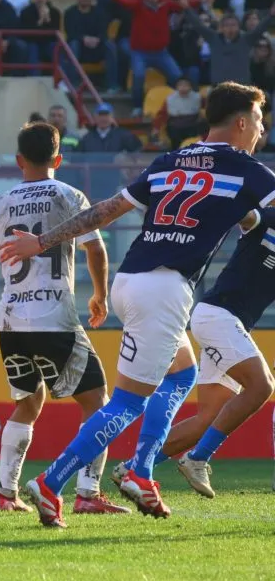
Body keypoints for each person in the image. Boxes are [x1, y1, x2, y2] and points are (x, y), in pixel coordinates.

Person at [1, 81, 273, 525]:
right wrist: (253, 215)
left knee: (182, 373)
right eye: (259, 122)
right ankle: (51, 482)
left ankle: (142, 472)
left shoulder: (169, 160)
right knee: (127, 403)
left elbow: (107, 210)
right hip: (164, 291)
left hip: (131, 280)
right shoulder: (251, 172)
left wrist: (43, 241)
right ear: (242, 122)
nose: (261, 132)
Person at [0, 121, 127, 516]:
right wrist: (99, 295)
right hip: (53, 318)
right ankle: (88, 493)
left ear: (18, 159)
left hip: (10, 320)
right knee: (97, 403)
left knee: (29, 401)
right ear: (58, 158)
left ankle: (5, 494)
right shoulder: (69, 195)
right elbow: (95, 249)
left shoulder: (0, 204)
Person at [112, 199, 275, 499]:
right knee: (261, 385)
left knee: (208, 418)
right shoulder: (266, 218)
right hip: (218, 317)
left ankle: (133, 467)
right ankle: (198, 459)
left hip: (225, 321)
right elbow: (242, 214)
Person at [98, 0, 189, 116]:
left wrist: (199, 2)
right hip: (140, 52)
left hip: (161, 52)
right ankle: (137, 106)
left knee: (177, 76)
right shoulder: (139, 3)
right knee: (138, 75)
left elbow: (184, 5)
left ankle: (176, 105)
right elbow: (125, 1)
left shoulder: (166, 3)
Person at [181, 0, 275, 85]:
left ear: (239, 27)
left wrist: (271, 15)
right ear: (221, 28)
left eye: (233, 25)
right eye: (226, 25)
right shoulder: (213, 38)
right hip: (219, 87)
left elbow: (260, 28)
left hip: (241, 88)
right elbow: (199, 26)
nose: (230, 28)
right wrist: (187, 9)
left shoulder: (246, 39)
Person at [64, 0, 120, 94]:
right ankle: (73, 84)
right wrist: (83, 38)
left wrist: (97, 39)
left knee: (110, 45)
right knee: (73, 44)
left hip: (96, 48)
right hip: (79, 48)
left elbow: (103, 32)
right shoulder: (69, 12)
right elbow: (70, 33)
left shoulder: (100, 12)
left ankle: (112, 85)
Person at [152, 75, 202, 147]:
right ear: (176, 87)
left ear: (191, 87)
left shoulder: (198, 98)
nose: (183, 88)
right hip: (175, 127)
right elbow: (162, 114)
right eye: (181, 85)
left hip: (192, 126)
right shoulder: (170, 99)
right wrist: (156, 128)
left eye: (186, 85)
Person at [20, 0, 60, 76]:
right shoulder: (26, 12)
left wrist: (48, 19)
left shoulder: (55, 12)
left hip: (48, 43)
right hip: (32, 42)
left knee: (57, 47)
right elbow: (27, 35)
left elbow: (55, 34)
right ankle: (35, 78)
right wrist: (40, 21)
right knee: (32, 48)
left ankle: (60, 79)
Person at [76, 103, 143, 153]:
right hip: (93, 171)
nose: (103, 119)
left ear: (112, 117)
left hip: (115, 171)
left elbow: (137, 151)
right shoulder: (86, 138)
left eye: (106, 115)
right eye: (100, 115)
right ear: (95, 117)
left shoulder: (124, 136)